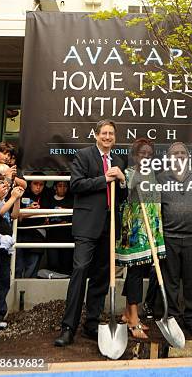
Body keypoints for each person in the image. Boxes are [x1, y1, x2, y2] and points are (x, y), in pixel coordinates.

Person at [54, 119, 127, 347]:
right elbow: (76, 185)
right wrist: (104, 179)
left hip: (109, 225)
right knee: (80, 271)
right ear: (96, 135)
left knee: (102, 277)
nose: (107, 137)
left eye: (111, 134)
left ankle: (91, 324)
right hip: (87, 225)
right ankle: (68, 328)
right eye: (103, 133)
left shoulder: (118, 161)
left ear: (115, 137)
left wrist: (123, 181)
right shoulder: (84, 156)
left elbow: (122, 197)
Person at [116, 138, 165, 340]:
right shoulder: (129, 174)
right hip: (135, 231)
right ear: (135, 155)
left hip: (150, 230)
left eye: (148, 153)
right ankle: (134, 319)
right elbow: (125, 197)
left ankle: (128, 313)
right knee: (135, 272)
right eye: (141, 153)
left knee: (138, 272)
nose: (145, 156)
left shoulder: (153, 174)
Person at [158, 142, 192, 337]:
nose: (179, 155)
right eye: (175, 153)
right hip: (169, 237)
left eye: (183, 152)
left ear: (189, 156)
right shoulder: (160, 178)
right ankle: (173, 319)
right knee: (171, 282)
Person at [0, 164, 24, 330]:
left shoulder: (3, 194)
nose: (4, 182)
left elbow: (14, 215)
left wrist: (17, 198)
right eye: (1, 177)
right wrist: (12, 197)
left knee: (3, 279)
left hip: (6, 241)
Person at [15, 179, 52, 278]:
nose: (38, 187)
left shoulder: (46, 196)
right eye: (35, 183)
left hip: (37, 234)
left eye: (41, 184)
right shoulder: (21, 192)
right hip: (20, 233)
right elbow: (15, 214)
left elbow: (46, 213)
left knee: (31, 269)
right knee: (17, 267)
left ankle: (28, 292)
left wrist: (24, 213)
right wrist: (29, 210)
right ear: (30, 184)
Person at [46, 180, 74, 276]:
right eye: (60, 185)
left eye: (65, 186)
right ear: (55, 187)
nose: (62, 188)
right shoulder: (49, 200)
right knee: (53, 263)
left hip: (67, 236)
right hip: (52, 236)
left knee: (66, 263)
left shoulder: (71, 200)